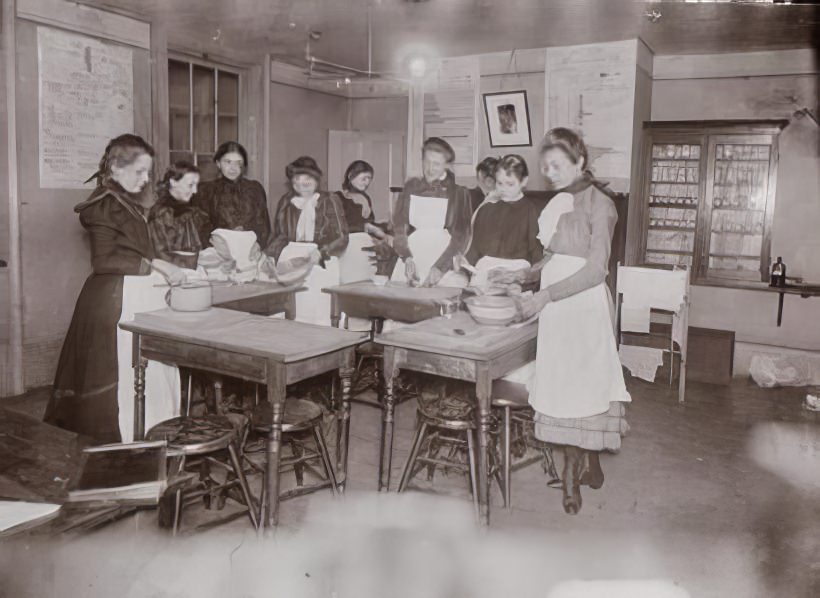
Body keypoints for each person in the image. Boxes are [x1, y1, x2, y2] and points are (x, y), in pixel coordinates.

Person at [493, 127, 630, 515]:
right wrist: (522, 276)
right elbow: (554, 257)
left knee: (582, 387)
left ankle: (573, 479)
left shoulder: (600, 204)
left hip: (582, 308)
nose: (549, 172)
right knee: (568, 388)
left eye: (557, 165)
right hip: (553, 306)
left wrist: (545, 296)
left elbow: (595, 270)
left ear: (579, 162)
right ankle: (590, 463)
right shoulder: (558, 202)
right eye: (545, 167)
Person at [44, 134, 184, 444]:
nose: (146, 179)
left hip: (131, 293)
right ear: (117, 167)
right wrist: (157, 266)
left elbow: (132, 249)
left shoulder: (122, 200)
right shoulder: (104, 203)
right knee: (122, 377)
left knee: (149, 369)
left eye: (148, 172)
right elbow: (104, 260)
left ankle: (152, 435)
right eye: (139, 172)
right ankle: (128, 443)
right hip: (115, 300)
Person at [265, 156, 348, 325]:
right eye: (296, 181)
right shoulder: (286, 202)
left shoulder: (329, 200)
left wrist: (322, 251)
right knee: (293, 310)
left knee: (318, 309)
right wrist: (269, 256)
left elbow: (342, 237)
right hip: (290, 261)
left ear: (316, 179)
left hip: (320, 261)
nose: (301, 185)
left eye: (307, 180)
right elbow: (279, 235)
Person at [391, 137, 472, 287]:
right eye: (427, 161)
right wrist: (406, 257)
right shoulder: (411, 187)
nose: (429, 168)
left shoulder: (459, 193)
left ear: (447, 165)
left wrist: (440, 268)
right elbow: (399, 226)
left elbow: (461, 238)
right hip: (413, 254)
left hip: (444, 256)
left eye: (436, 164)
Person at [455, 155, 543, 290]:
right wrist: (464, 263)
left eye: (510, 184)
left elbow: (536, 252)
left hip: (515, 273)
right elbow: (475, 249)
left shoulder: (531, 210)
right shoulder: (486, 209)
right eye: (499, 183)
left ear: (524, 181)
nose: (503, 189)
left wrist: (528, 278)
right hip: (486, 271)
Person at [194, 141, 272, 248]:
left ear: (243, 165)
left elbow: (263, 226)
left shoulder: (255, 189)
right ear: (218, 163)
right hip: (217, 250)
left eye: (238, 163)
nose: (233, 168)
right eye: (228, 162)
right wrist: (220, 242)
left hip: (250, 248)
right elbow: (201, 227)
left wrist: (256, 244)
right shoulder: (206, 190)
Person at [148, 161, 210, 268]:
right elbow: (162, 257)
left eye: (196, 185)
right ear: (173, 182)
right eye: (190, 185)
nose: (195, 191)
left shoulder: (192, 212)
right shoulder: (161, 214)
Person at [335, 160, 376, 233]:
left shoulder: (366, 197)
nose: (367, 182)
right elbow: (338, 227)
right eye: (364, 178)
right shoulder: (337, 197)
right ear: (350, 175)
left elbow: (370, 223)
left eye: (369, 178)